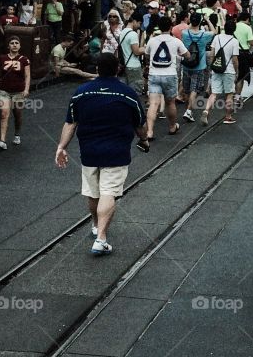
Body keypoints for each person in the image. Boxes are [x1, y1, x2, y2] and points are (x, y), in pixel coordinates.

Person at [55, 53, 149, 256]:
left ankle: (96, 225)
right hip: (117, 151)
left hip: (89, 151)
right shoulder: (127, 93)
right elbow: (140, 124)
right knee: (109, 193)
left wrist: (61, 147)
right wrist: (144, 139)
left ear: (97, 69)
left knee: (92, 192)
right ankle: (101, 239)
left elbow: (71, 122)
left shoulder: (81, 93)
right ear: (118, 69)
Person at [144, 15, 189, 139]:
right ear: (171, 27)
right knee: (170, 103)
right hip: (170, 75)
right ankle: (172, 126)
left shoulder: (152, 40)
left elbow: (147, 54)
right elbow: (187, 55)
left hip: (154, 74)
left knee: (153, 103)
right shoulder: (176, 41)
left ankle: (150, 132)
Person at [0, 35, 30, 150]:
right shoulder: (2, 58)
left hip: (19, 92)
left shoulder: (25, 59)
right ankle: (2, 141)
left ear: (20, 46)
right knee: (4, 114)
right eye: (12, 43)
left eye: (16, 43)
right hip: (4, 91)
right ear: (8, 46)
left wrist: (26, 89)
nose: (14, 45)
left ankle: (17, 134)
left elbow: (27, 76)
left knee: (17, 115)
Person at [180, 13, 213, 122]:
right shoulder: (204, 35)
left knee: (186, 89)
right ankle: (189, 111)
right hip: (199, 66)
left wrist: (191, 22)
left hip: (186, 65)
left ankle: (187, 110)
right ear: (200, 22)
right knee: (194, 89)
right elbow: (214, 31)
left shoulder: (184, 33)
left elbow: (188, 28)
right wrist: (207, 20)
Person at [207, 17, 239, 124]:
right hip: (229, 70)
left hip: (216, 69)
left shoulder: (217, 37)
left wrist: (212, 66)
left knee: (214, 93)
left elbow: (212, 54)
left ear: (224, 28)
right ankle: (228, 116)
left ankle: (206, 110)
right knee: (229, 94)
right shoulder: (234, 41)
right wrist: (236, 71)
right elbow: (235, 59)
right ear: (234, 30)